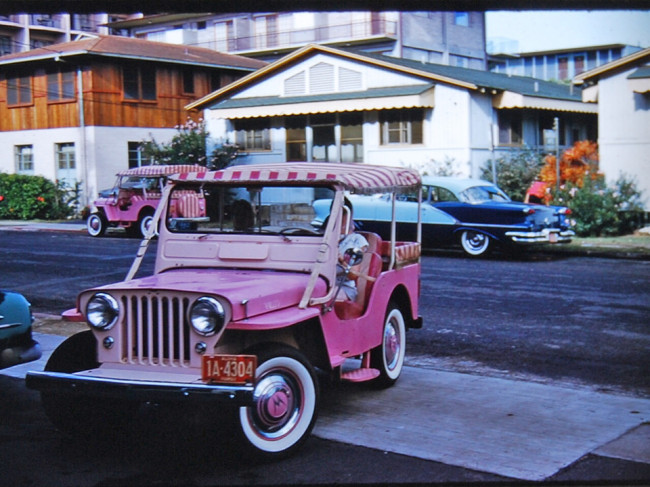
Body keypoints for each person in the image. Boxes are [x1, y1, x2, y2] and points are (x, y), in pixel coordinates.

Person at [336, 198, 369, 302]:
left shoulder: (357, 240)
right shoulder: (325, 237)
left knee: (320, 296)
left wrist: (341, 260)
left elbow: (353, 275)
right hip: (320, 284)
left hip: (344, 287)